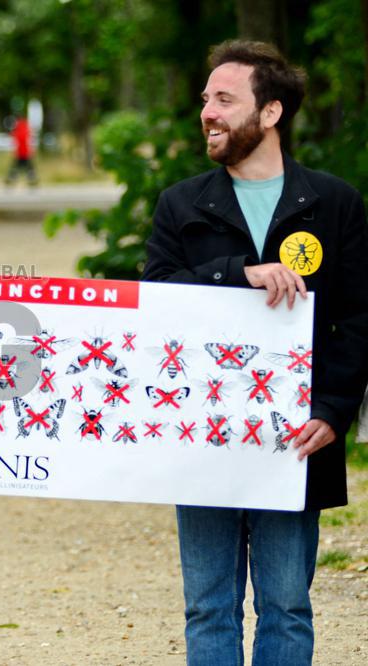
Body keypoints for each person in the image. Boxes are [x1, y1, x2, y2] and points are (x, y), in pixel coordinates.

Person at [142, 40, 368, 665]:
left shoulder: (335, 202)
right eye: (204, 100)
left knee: (288, 606)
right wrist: (236, 272)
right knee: (208, 606)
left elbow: (357, 317)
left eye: (223, 99)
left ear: (270, 113)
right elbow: (154, 298)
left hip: (299, 440)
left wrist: (333, 410)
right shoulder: (181, 203)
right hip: (203, 434)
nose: (207, 113)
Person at [5, 115, 38, 186]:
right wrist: (32, 150)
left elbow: (14, 142)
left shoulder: (16, 130)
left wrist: (13, 151)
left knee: (15, 167)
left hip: (19, 153)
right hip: (26, 152)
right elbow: (31, 141)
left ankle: (11, 180)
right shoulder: (27, 129)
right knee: (29, 168)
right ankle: (32, 180)